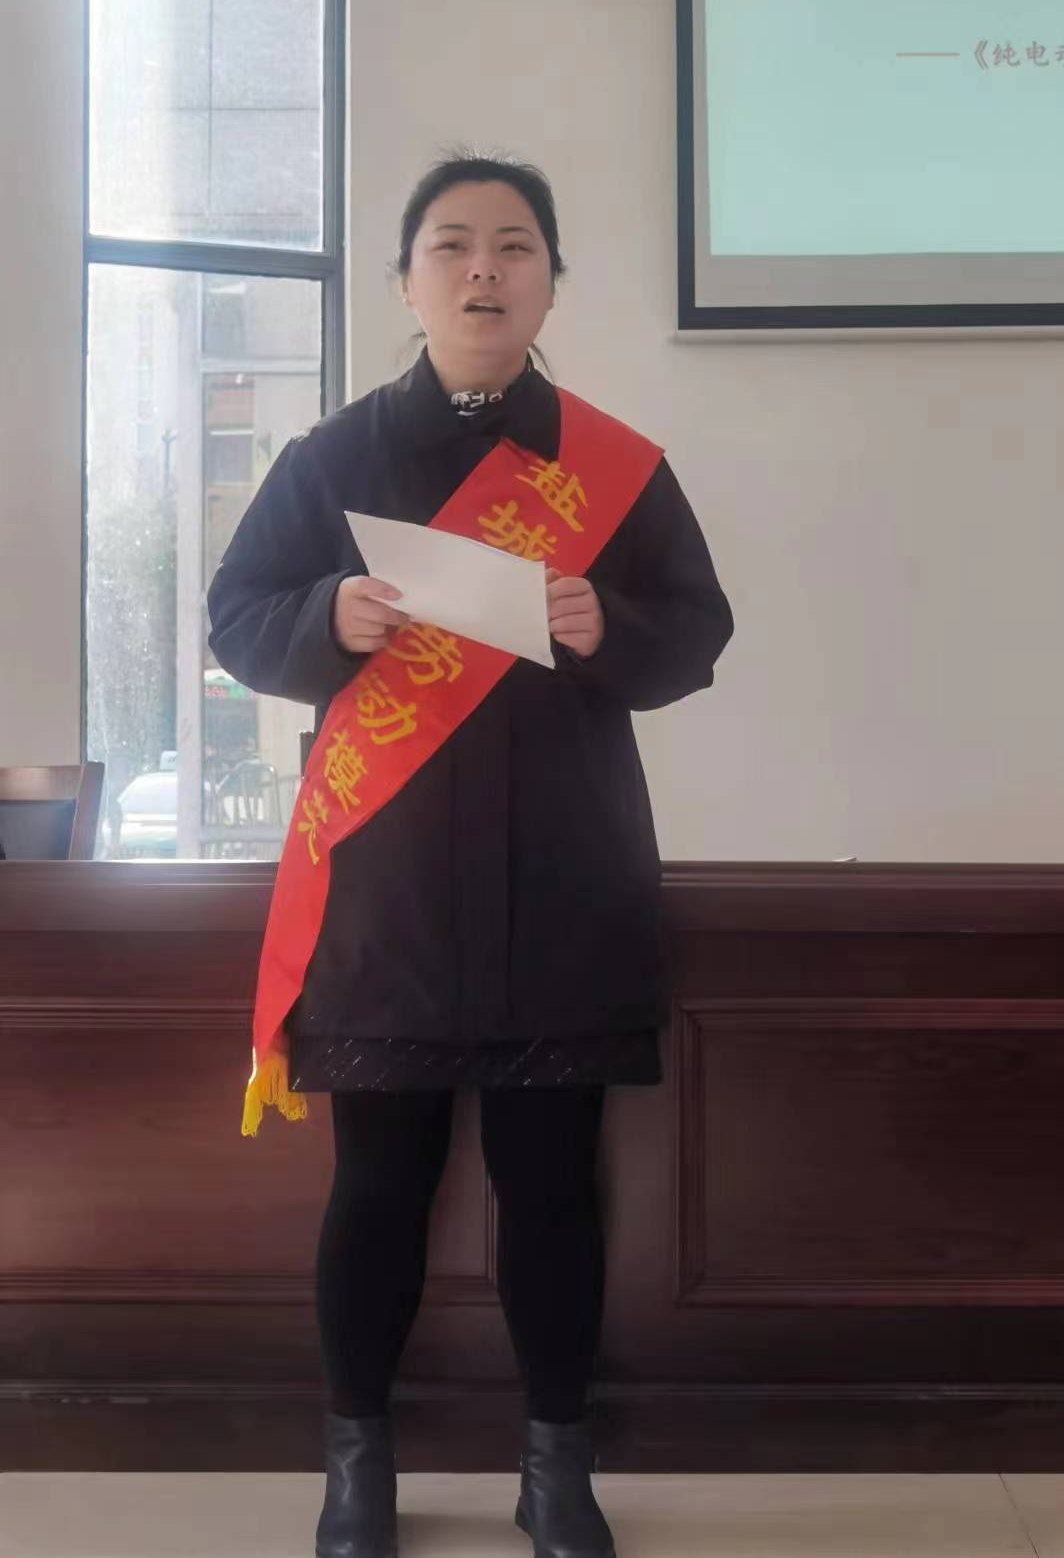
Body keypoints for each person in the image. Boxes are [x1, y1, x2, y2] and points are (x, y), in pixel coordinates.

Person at [207, 152, 733, 1558]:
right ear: (406, 280)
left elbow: (698, 632)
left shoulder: (616, 468)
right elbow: (238, 614)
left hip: (566, 875)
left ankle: (558, 1465)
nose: (483, 269)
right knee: (378, 1187)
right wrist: (327, 616)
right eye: (451, 244)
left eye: (514, 246)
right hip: (388, 892)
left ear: (551, 281)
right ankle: (356, 1463)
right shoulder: (332, 460)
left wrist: (608, 627)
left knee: (553, 1189)